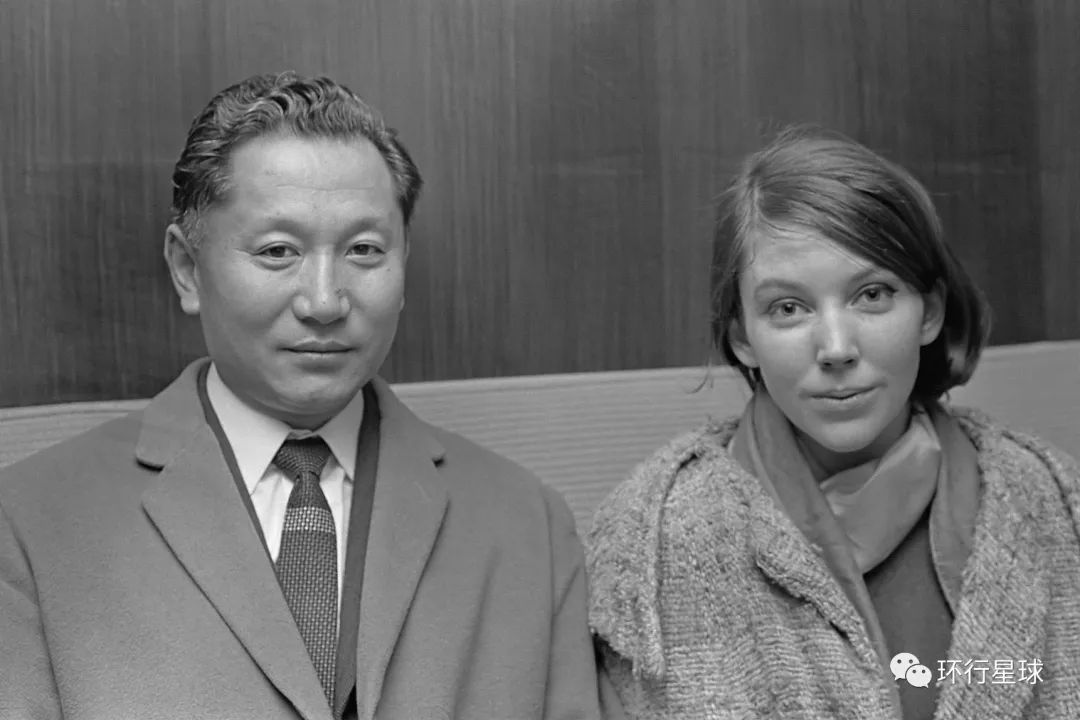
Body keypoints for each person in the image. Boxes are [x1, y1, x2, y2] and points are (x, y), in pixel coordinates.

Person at [0, 72, 602, 720]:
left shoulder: (528, 525)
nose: (323, 302)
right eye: (278, 251)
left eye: (364, 250)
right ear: (187, 268)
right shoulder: (27, 526)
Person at [586, 128, 1080, 719]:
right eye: (788, 308)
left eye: (872, 294)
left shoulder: (1052, 503)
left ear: (930, 311)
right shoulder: (651, 544)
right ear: (742, 337)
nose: (837, 348)